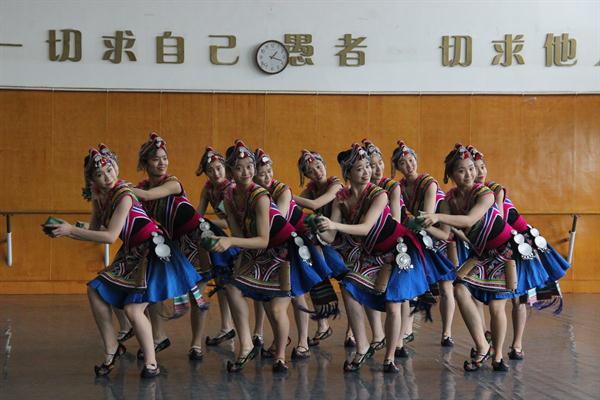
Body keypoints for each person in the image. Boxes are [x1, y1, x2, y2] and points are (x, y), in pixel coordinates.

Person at [45, 144, 202, 378]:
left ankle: (151, 363)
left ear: (117, 168)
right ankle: (112, 347)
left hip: (152, 250)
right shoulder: (99, 198)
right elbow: (97, 231)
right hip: (132, 252)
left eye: (110, 170)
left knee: (133, 309)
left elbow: (110, 237)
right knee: (95, 290)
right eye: (100, 174)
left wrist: (70, 231)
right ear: (92, 179)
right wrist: (66, 229)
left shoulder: (124, 195)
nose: (107, 177)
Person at [421, 144, 539, 372]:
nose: (469, 174)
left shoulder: (485, 193)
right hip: (481, 254)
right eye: (461, 170)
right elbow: (445, 234)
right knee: (459, 289)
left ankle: (498, 357)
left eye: (471, 169)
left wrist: (436, 216)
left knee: (496, 306)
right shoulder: (449, 200)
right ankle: (482, 346)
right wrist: (422, 225)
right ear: (450, 175)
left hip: (505, 251)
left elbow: (468, 221)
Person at [316, 143, 429, 373]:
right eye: (359, 169)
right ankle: (362, 346)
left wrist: (333, 224)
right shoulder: (341, 198)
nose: (367, 172)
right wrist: (318, 228)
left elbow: (366, 228)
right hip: (371, 254)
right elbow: (331, 236)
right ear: (348, 174)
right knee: (348, 288)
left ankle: (390, 357)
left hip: (398, 251)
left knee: (393, 303)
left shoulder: (379, 194)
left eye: (367, 166)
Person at [210, 140, 321, 373]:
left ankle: (281, 356)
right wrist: (231, 245)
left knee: (277, 308)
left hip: (283, 250)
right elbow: (239, 234)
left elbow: (262, 238)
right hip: (259, 251)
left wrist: (230, 242)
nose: (246, 172)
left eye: (249, 167)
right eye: (239, 168)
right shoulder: (229, 197)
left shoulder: (260, 195)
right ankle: (246, 345)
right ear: (230, 172)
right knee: (232, 287)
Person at [133, 132, 222, 361]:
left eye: (165, 158)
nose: (162, 163)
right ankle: (158, 337)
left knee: (196, 295)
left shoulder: (172, 183)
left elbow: (149, 195)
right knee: (151, 288)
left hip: (195, 242)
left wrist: (120, 189)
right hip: (170, 245)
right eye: (156, 159)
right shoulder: (141, 188)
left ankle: (196, 344)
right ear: (145, 163)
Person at [468, 144, 562, 360]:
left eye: (482, 167)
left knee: (519, 298)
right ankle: (489, 340)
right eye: (474, 168)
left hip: (516, 246)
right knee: (483, 296)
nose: (479, 172)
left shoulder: (494, 190)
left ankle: (516, 344)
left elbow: (498, 224)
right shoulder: (469, 195)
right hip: (492, 248)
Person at [391, 140, 457, 347]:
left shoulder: (428, 183)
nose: (408, 165)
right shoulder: (400, 187)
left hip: (439, 234)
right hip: (420, 235)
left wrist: (407, 223)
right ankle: (407, 329)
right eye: (403, 163)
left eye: (411, 160)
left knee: (445, 286)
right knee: (410, 278)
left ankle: (447, 332)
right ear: (397, 167)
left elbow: (425, 217)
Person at [294, 150, 348, 346]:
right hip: (325, 239)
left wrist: (286, 195)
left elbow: (315, 204)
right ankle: (323, 324)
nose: (317, 172)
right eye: (311, 171)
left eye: (319, 166)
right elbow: (295, 210)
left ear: (324, 165)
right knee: (311, 267)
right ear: (306, 175)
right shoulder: (311, 189)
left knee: (348, 285)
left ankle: (351, 331)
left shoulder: (336, 185)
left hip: (343, 237)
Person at [195, 146, 238, 346]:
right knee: (222, 282)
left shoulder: (231, 188)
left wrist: (208, 224)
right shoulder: (208, 188)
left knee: (234, 286)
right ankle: (226, 327)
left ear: (225, 168)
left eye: (219, 168)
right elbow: (198, 215)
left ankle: (256, 334)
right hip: (226, 236)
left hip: (242, 236)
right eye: (210, 170)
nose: (216, 173)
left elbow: (230, 222)